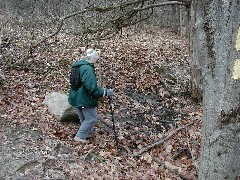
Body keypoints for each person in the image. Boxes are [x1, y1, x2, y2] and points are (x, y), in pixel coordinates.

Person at [68, 48, 113, 143]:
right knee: (91, 118)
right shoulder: (88, 69)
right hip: (84, 98)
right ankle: (79, 137)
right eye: (96, 59)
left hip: (76, 97)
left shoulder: (79, 66)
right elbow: (92, 88)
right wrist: (105, 92)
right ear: (92, 59)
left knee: (84, 118)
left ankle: (87, 133)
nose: (96, 62)